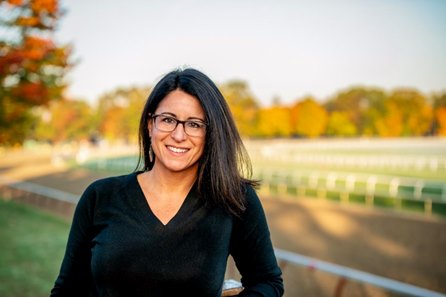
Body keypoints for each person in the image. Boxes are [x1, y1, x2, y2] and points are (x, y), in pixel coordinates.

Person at [50, 67, 284, 297]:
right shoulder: (100, 196)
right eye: (168, 119)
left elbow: (267, 282)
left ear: (211, 133)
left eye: (194, 124)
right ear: (151, 124)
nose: (179, 135)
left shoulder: (234, 200)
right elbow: (68, 290)